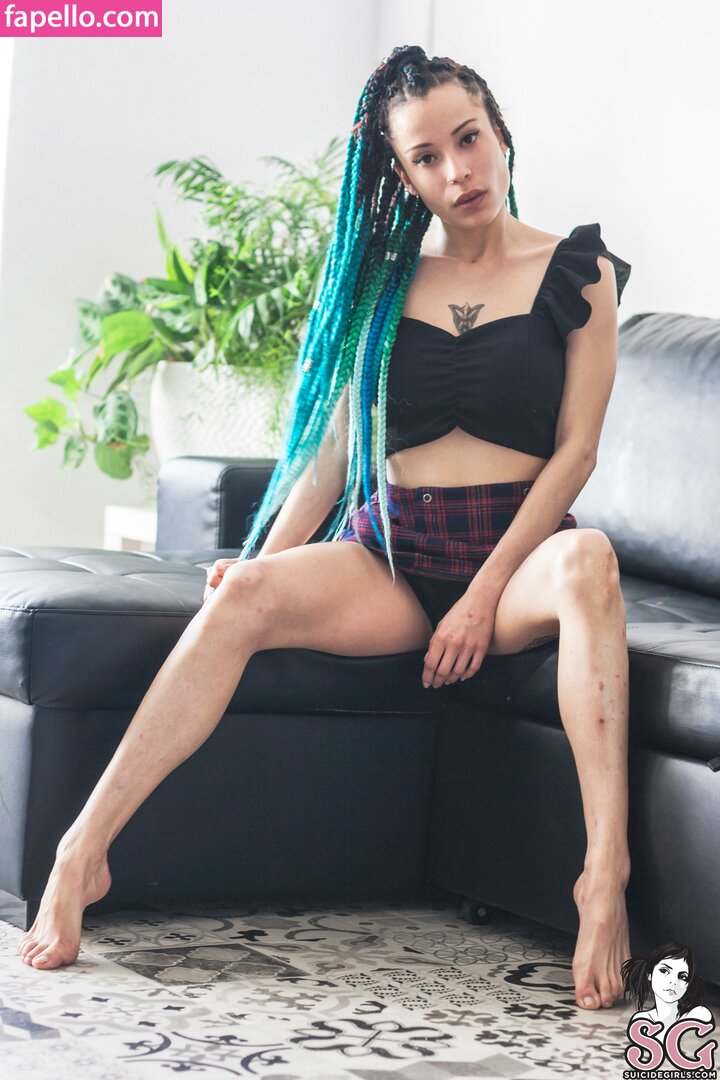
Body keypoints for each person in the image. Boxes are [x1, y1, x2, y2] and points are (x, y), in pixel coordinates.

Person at [17, 44, 633, 1013]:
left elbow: (577, 454)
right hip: (396, 554)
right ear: (404, 175)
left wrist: (481, 598)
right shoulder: (383, 283)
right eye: (427, 156)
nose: (458, 170)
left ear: (501, 135)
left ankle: (602, 877)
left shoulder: (578, 270)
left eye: (469, 139)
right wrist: (256, 564)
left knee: (590, 560)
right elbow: (339, 455)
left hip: (515, 563)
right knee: (242, 597)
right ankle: (82, 848)